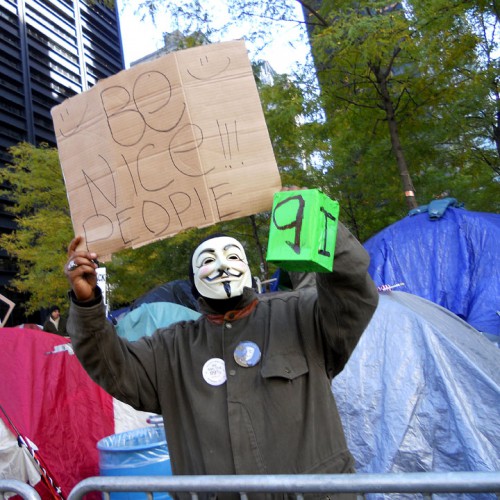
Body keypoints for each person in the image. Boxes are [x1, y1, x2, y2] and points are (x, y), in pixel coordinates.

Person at [64, 210, 379, 499]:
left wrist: (319, 225)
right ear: (193, 283)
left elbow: (353, 291)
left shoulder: (301, 315)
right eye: (208, 261)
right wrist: (87, 305)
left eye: (232, 256)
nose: (222, 266)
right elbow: (110, 364)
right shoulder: (171, 349)